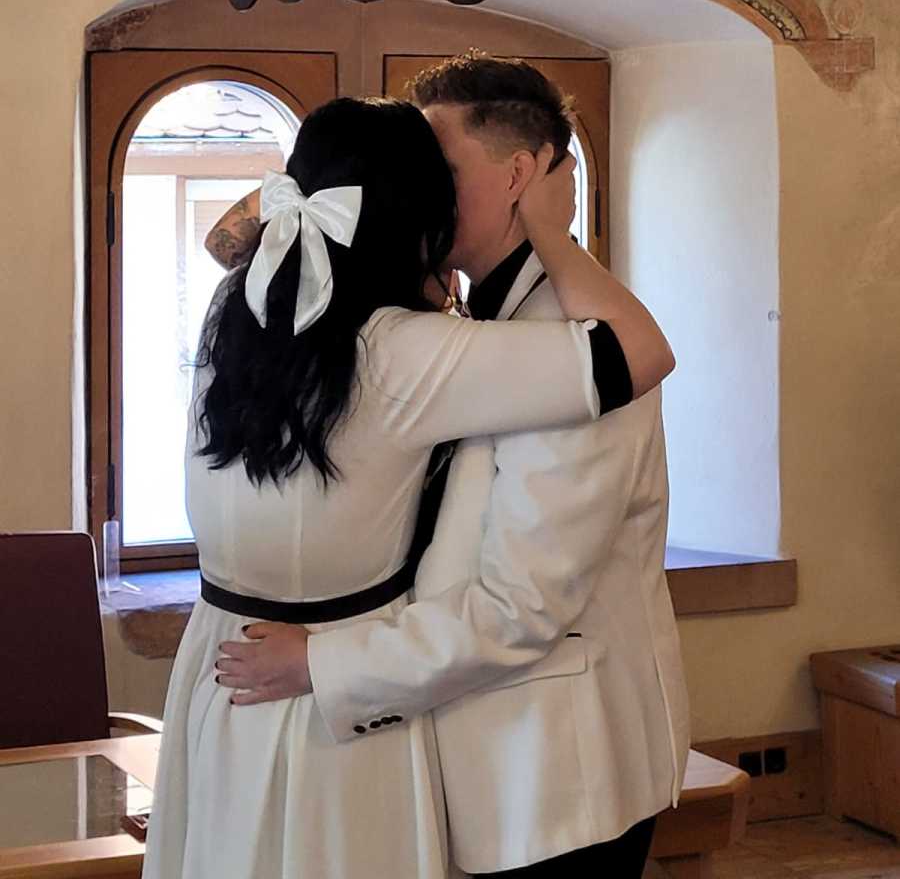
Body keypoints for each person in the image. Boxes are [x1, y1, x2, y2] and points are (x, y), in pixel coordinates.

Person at [143, 94, 675, 879]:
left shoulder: (243, 308)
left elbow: (523, 602)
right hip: (319, 691)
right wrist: (541, 228)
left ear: (517, 176)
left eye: (447, 166)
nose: (441, 191)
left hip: (531, 766)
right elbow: (637, 351)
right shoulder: (410, 345)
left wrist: (544, 231)